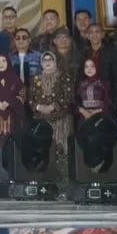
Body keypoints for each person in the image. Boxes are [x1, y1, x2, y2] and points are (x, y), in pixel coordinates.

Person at [27, 51, 73, 181]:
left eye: (50, 59)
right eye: (45, 60)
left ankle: (63, 182)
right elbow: (30, 99)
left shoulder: (64, 77)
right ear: (41, 63)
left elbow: (69, 97)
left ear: (55, 61)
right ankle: (44, 181)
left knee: (60, 151)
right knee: (43, 151)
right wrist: (38, 107)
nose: (47, 62)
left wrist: (53, 106)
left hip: (60, 122)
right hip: (41, 122)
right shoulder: (35, 78)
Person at [77, 57, 111, 126]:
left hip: (100, 117)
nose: (89, 69)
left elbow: (108, 101)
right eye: (86, 66)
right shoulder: (80, 84)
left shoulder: (104, 83)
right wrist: (84, 112)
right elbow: (76, 101)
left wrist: (95, 112)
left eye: (92, 66)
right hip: (84, 117)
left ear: (97, 67)